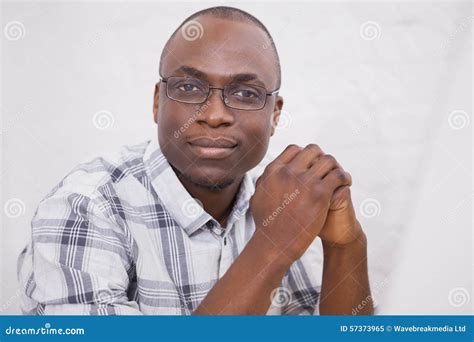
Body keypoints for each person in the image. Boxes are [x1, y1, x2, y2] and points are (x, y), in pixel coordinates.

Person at [17, 6, 373, 315]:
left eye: (245, 93)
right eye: (189, 87)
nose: (215, 114)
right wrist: (273, 244)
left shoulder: (283, 202)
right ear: (158, 101)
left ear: (275, 114)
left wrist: (346, 245)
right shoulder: (84, 207)